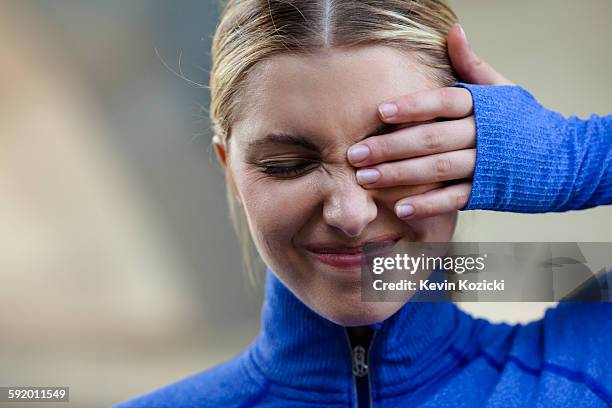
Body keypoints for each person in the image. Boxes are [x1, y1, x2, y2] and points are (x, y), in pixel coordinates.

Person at [115, 1, 611, 407]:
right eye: (288, 163)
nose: (351, 216)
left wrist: (578, 159)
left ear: (472, 154)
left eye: (405, 155)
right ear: (229, 167)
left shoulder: (587, 372)